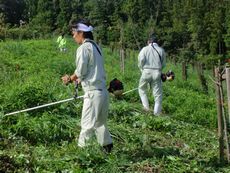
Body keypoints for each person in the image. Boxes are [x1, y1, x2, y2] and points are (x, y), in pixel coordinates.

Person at [61, 19, 113, 153]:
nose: (73, 36)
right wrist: (80, 79)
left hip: (92, 93)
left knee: (87, 126)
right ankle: (107, 149)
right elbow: (90, 70)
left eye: (73, 32)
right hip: (102, 92)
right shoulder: (96, 46)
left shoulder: (83, 47)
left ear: (81, 32)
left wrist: (69, 79)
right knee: (100, 124)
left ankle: (82, 157)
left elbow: (80, 71)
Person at [138, 33, 166, 115]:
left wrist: (142, 69)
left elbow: (141, 60)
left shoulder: (144, 49)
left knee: (142, 89)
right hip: (157, 72)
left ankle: (146, 108)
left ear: (149, 41)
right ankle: (156, 114)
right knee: (158, 95)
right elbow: (163, 64)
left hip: (146, 71)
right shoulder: (161, 50)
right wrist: (159, 70)